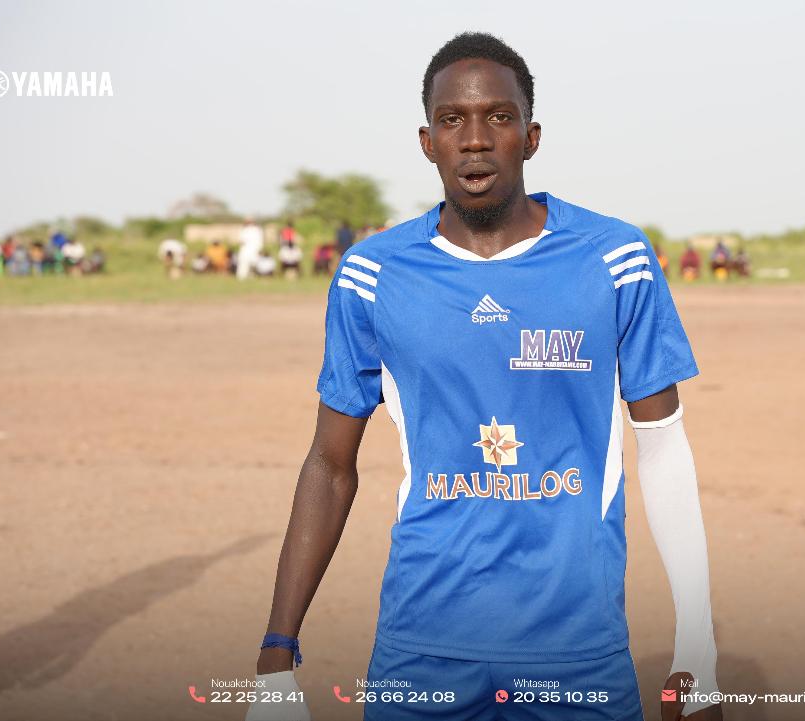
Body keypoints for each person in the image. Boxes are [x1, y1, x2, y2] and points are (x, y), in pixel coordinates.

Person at [246, 32, 721, 721]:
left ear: (531, 137)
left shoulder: (614, 258)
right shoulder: (372, 274)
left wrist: (698, 647)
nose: (474, 139)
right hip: (422, 646)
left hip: (577, 649)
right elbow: (329, 462)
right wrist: (275, 654)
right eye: (452, 120)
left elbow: (664, 446)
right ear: (427, 141)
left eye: (498, 117)